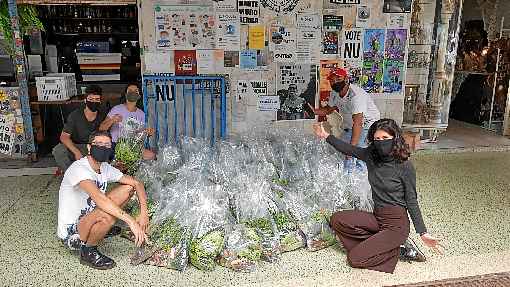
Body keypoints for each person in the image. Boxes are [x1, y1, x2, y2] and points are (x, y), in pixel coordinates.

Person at [312, 119, 443, 273]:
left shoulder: (404, 165)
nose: (381, 143)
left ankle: (398, 249)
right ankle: (381, 244)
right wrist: (326, 136)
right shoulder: (371, 156)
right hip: (378, 217)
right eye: (377, 139)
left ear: (395, 139)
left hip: (396, 225)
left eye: (385, 139)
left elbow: (412, 201)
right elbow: (349, 149)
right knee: (337, 220)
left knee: (355, 259)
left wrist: (423, 233)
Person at [57, 131, 149, 270]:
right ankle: (88, 251)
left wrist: (144, 213)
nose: (103, 147)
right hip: (73, 233)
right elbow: (100, 200)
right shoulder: (79, 168)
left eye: (107, 145)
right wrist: (131, 221)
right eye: (98, 144)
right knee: (107, 215)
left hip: (90, 215)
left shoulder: (104, 167)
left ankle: (99, 229)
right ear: (89, 147)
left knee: (128, 188)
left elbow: (137, 183)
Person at [315, 68, 380, 170]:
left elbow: (358, 124)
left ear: (346, 79)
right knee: (341, 148)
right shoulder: (335, 93)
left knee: (358, 151)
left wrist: (351, 149)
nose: (335, 82)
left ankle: (360, 177)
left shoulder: (356, 95)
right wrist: (314, 111)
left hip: (367, 125)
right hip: (351, 125)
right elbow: (328, 110)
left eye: (338, 78)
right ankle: (346, 172)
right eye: (332, 80)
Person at [53, 85, 106, 172]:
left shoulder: (103, 115)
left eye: (97, 99)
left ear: (100, 101)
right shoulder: (75, 115)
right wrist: (76, 152)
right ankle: (71, 174)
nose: (94, 102)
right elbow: (64, 137)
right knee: (58, 150)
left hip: (94, 147)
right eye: (91, 99)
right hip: (77, 146)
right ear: (85, 100)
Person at [99, 83, 155, 161]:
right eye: (130, 91)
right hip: (116, 145)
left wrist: (148, 133)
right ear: (125, 95)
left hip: (133, 146)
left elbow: (141, 134)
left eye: (136, 91)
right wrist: (112, 120)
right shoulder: (116, 109)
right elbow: (101, 128)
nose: (133, 93)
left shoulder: (141, 114)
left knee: (151, 155)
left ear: (139, 96)